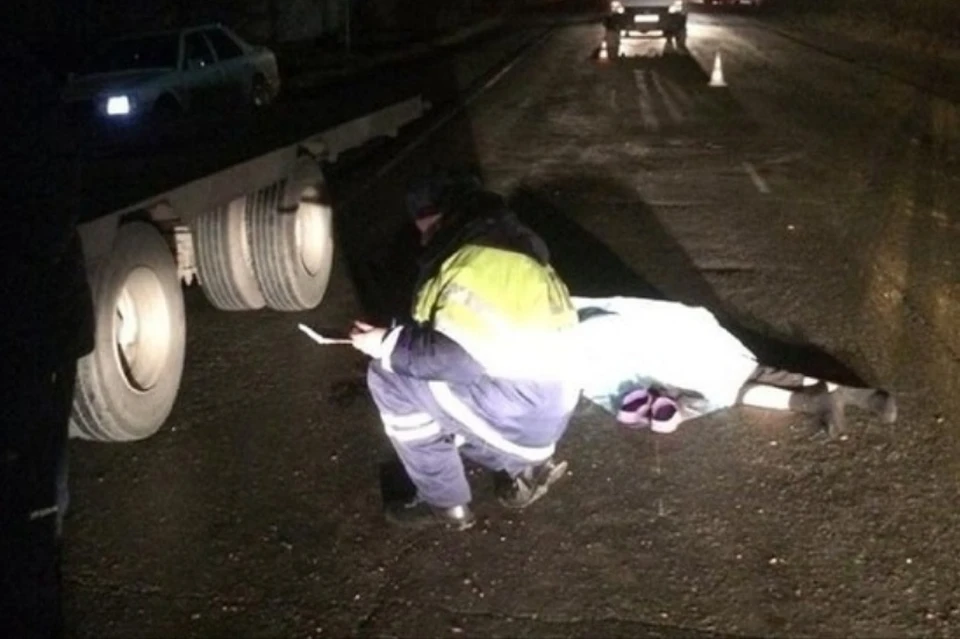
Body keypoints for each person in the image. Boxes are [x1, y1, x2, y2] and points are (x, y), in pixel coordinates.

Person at [351, 169, 581, 530]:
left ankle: (444, 503)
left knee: (389, 375)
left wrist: (383, 344)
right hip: (545, 406)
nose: (421, 235)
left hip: (520, 410)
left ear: (440, 216)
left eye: (423, 224)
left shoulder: (472, 261)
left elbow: (457, 358)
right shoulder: (508, 249)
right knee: (420, 371)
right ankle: (524, 468)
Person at [1, 38, 94, 638]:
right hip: (37, 333)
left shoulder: (22, 91)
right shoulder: (27, 84)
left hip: (34, 337)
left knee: (35, 490)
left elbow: (47, 217)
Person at [571, 296, 897, 437]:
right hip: (623, 349)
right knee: (733, 379)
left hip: (628, 338)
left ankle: (850, 395)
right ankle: (832, 398)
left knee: (739, 371)